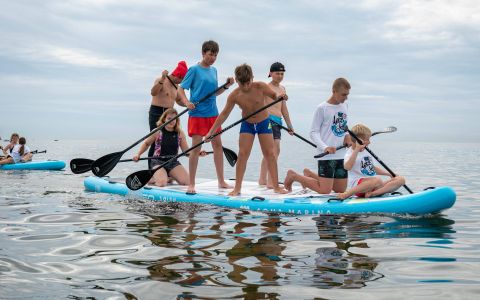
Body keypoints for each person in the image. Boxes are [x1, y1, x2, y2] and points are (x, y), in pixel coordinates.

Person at [205, 63, 288, 196]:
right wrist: (211, 132)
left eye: (248, 82)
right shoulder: (234, 95)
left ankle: (276, 187)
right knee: (243, 155)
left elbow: (274, 96)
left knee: (270, 154)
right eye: (241, 83)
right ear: (237, 80)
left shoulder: (260, 86)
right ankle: (237, 188)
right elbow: (224, 114)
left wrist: (281, 96)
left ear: (252, 78)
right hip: (247, 125)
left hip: (264, 122)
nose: (245, 86)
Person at [177, 40, 235, 194]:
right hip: (197, 114)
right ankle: (192, 184)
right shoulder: (194, 70)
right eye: (210, 54)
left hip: (213, 114)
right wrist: (186, 102)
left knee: (217, 147)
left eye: (215, 55)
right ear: (203, 53)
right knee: (196, 148)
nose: (213, 58)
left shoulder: (214, 70)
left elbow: (214, 93)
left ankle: (221, 181)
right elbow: (181, 89)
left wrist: (226, 86)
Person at [283, 78, 352, 193]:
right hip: (326, 155)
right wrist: (325, 147)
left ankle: (309, 174)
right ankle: (294, 176)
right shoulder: (322, 108)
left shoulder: (344, 106)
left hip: (341, 154)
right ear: (334, 91)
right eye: (343, 94)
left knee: (340, 190)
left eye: (347, 94)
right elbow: (313, 132)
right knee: (325, 190)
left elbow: (344, 126)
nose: (346, 98)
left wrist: (347, 136)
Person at [133, 108, 205, 187]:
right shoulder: (157, 131)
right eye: (169, 118)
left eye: (174, 119)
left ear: (176, 120)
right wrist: (138, 154)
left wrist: (197, 153)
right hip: (157, 162)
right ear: (164, 119)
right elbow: (146, 144)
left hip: (173, 162)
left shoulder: (180, 133)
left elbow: (186, 152)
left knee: (188, 182)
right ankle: (155, 178)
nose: (172, 121)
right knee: (162, 183)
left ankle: (168, 176)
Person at [337, 124, 406, 199]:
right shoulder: (350, 152)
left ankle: (373, 194)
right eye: (367, 140)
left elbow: (372, 168)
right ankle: (347, 194)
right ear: (359, 141)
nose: (369, 142)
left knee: (400, 179)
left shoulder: (366, 152)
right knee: (377, 180)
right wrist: (357, 149)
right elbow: (347, 167)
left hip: (374, 185)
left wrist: (389, 174)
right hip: (359, 187)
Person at [258, 62, 294, 188]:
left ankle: (262, 180)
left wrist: (289, 125)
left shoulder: (283, 89)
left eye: (282, 74)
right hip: (268, 120)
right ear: (271, 73)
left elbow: (284, 109)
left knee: (270, 151)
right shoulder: (266, 87)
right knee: (275, 149)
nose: (279, 76)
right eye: (277, 73)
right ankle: (270, 181)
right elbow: (261, 106)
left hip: (278, 121)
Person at [147, 61, 188, 168]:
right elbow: (153, 92)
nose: (181, 82)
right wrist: (161, 79)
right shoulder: (162, 80)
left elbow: (179, 101)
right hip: (157, 112)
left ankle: (166, 168)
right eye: (181, 79)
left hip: (170, 115)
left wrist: (189, 105)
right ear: (178, 76)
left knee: (168, 141)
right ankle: (151, 170)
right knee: (155, 141)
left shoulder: (176, 86)